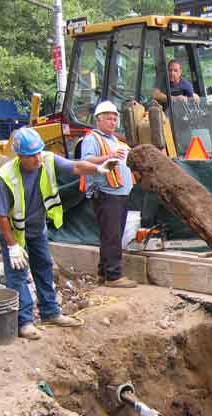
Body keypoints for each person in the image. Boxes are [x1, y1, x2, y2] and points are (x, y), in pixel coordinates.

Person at [0, 128, 118, 340]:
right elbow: (1, 215)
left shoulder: (47, 160)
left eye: (40, 152)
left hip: (37, 226)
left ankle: (50, 312)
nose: (38, 158)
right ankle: (24, 322)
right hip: (12, 231)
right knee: (17, 273)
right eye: (32, 155)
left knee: (44, 265)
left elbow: (75, 166)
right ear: (20, 156)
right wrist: (12, 247)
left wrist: (98, 169)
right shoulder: (6, 176)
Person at [80, 101, 139, 288]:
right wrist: (109, 156)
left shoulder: (116, 141)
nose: (113, 122)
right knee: (112, 235)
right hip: (106, 194)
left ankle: (103, 272)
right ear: (98, 120)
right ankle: (114, 276)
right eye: (109, 118)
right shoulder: (92, 139)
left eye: (115, 119)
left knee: (111, 235)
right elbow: (87, 160)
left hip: (119, 193)